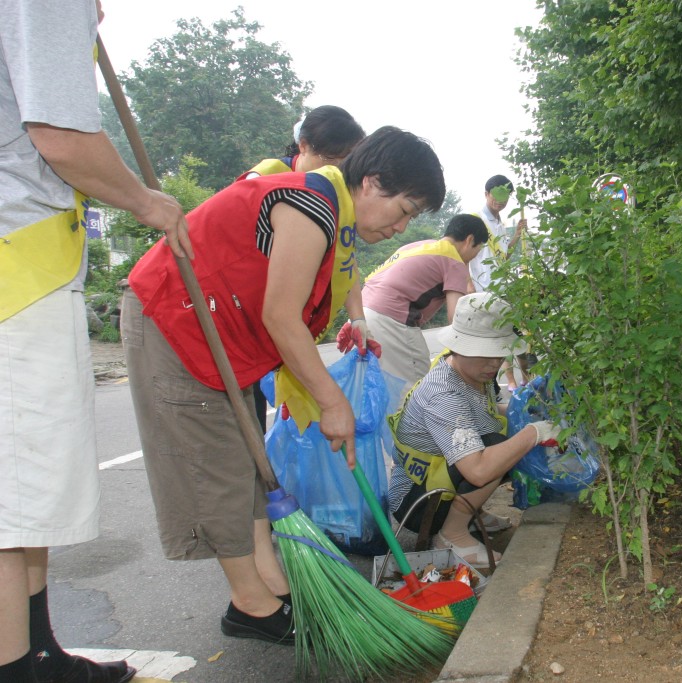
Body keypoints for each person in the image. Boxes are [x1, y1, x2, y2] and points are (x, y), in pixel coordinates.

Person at [122, 126, 444, 644]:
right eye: (404, 208)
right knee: (218, 465)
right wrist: (330, 401)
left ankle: (271, 585)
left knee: (248, 464)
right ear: (373, 182)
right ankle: (249, 606)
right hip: (178, 321)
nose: (402, 224)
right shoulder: (311, 204)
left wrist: (356, 320)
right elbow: (280, 315)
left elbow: (341, 277)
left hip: (221, 337)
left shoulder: (336, 215)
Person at [1, 2, 190, 681]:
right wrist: (147, 201)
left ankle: (35, 649)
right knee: (13, 489)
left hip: (22, 265)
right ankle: (16, 664)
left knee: (25, 492)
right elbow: (60, 133)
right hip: (16, 267)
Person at [387, 294, 559, 568]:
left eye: (499, 353)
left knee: (501, 440)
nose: (494, 363)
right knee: (496, 446)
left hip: (437, 480)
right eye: (484, 353)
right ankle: (451, 534)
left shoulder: (472, 373)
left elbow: (487, 411)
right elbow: (477, 471)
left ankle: (469, 511)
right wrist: (533, 433)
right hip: (417, 504)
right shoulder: (443, 394)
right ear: (459, 347)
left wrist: (525, 412)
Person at [240, 105, 368, 430]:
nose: (337, 170)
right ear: (304, 146)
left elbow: (346, 259)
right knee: (245, 417)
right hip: (245, 312)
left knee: (273, 417)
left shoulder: (338, 193)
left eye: (345, 163)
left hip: (279, 319)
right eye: (330, 160)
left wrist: (358, 319)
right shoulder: (269, 175)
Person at [359, 213, 489, 383]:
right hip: (391, 319)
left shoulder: (419, 246)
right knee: (416, 386)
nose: (474, 257)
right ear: (469, 240)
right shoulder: (454, 260)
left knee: (377, 384)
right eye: (477, 250)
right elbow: (457, 318)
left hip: (360, 314)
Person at [467, 175, 530, 393]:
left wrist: (517, 235)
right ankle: (510, 383)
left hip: (505, 291)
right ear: (486, 194)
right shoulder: (475, 221)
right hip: (484, 294)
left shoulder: (500, 223)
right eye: (496, 195)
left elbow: (503, 257)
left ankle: (528, 381)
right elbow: (463, 257)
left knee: (515, 338)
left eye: (505, 196)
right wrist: (470, 289)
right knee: (496, 343)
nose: (500, 201)